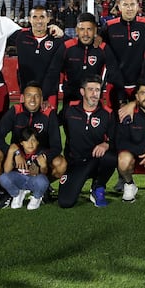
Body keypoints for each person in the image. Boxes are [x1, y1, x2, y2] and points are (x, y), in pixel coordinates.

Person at [0, 81, 65, 195]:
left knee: (61, 164)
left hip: (39, 160)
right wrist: (15, 153)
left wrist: (42, 158)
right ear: (23, 98)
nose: (32, 100)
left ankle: (42, 186)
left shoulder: (49, 114)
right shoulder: (15, 111)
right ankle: (3, 187)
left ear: (42, 98)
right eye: (29, 95)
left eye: (36, 96)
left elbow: (57, 146)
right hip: (16, 160)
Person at [57, 76, 116, 208]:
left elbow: (116, 140)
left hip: (95, 161)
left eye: (97, 90)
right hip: (75, 163)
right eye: (90, 90)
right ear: (82, 92)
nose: (95, 94)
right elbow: (53, 125)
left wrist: (107, 144)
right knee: (66, 202)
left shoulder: (108, 113)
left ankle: (98, 186)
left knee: (111, 157)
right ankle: (75, 184)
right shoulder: (69, 109)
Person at [49, 12, 122, 110]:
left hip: (93, 101)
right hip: (71, 101)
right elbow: (53, 72)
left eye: (89, 29)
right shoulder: (67, 47)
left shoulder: (103, 48)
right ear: (76, 30)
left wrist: (122, 98)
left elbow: (115, 74)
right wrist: (46, 95)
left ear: (95, 30)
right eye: (82, 29)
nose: (85, 34)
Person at [101, 0, 145, 106]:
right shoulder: (109, 26)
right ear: (119, 6)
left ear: (137, 6)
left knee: (140, 121)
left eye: (132, 5)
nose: (129, 8)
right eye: (125, 5)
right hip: (115, 84)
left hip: (139, 84)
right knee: (114, 119)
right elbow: (100, 45)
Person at [12, 5, 64, 106]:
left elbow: (75, 43)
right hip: (27, 92)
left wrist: (62, 33)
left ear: (48, 19)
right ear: (29, 19)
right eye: (35, 17)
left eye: (42, 17)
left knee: (49, 121)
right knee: (26, 121)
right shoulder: (20, 36)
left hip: (50, 94)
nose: (38, 21)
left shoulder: (57, 39)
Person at [0, 128, 52, 211]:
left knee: (42, 180)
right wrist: (11, 152)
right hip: (19, 179)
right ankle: (17, 194)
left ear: (38, 142)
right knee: (2, 177)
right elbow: (6, 171)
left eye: (33, 140)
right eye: (26, 141)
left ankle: (36, 197)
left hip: (33, 180)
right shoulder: (17, 151)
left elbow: (44, 175)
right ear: (21, 142)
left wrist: (43, 166)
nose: (30, 144)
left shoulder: (41, 152)